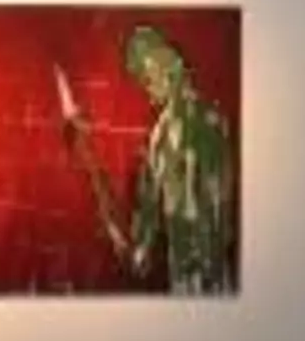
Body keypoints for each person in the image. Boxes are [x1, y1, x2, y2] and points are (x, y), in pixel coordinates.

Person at [58, 24, 236, 294]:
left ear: (170, 65)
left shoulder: (166, 136)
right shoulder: (216, 121)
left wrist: (90, 162)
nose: (148, 93)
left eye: (148, 79)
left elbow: (138, 256)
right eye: (143, 80)